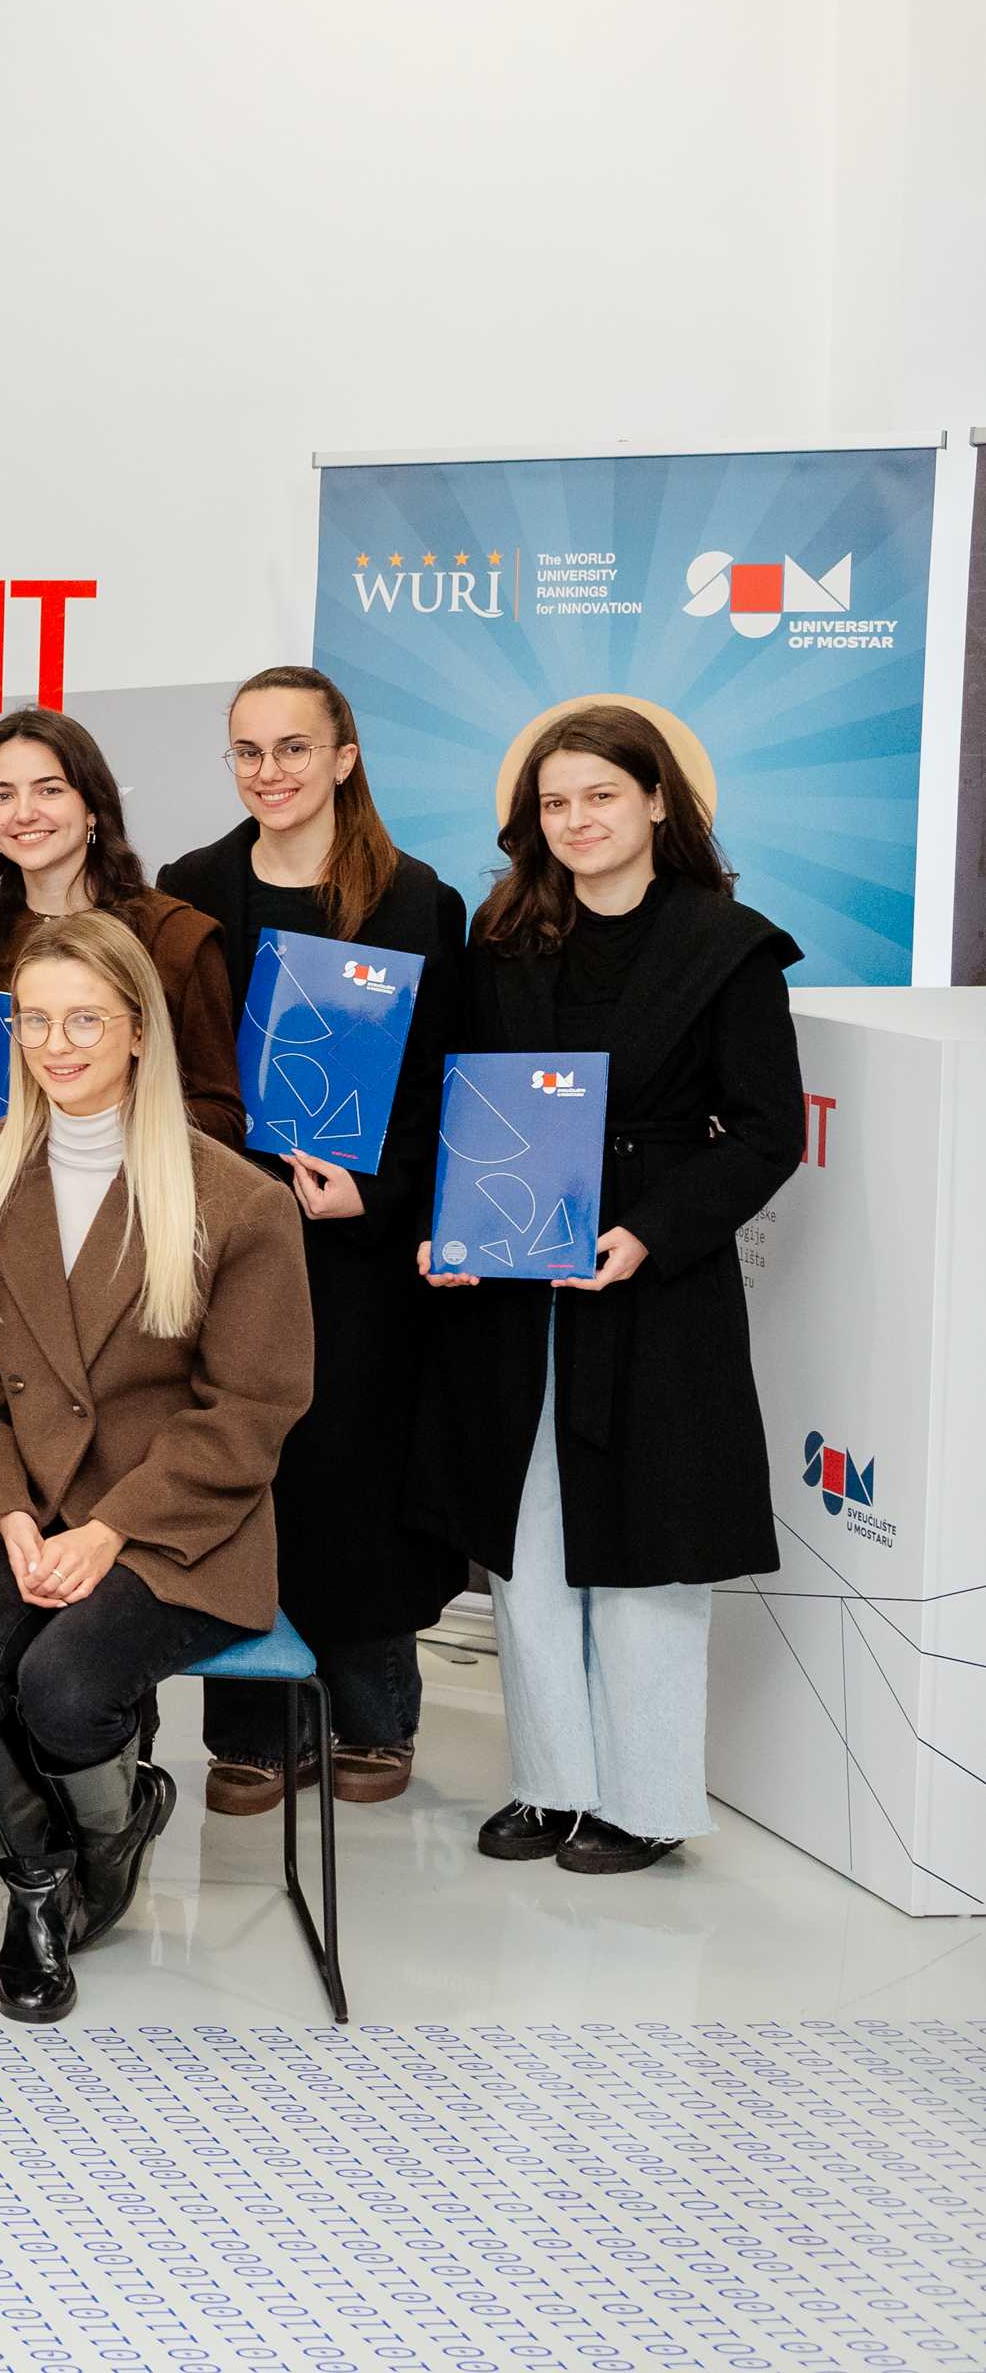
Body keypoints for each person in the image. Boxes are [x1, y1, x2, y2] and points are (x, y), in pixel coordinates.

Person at [0, 913, 308, 2024]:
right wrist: (1, 1513)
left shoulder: (240, 1201)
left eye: (84, 1020)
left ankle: (111, 1838)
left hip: (178, 1517)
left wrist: (112, 1528)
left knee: (66, 1686)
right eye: (34, 1022)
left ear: (139, 1028)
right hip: (17, 1499)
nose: (57, 1045)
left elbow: (251, 1410)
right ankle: (43, 1883)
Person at [419, 705, 800, 1877]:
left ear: (657, 801)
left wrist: (649, 1231)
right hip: (517, 1276)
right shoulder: (502, 936)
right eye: (554, 802)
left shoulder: (729, 945)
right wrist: (451, 1227)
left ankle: (644, 1799)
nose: (576, 820)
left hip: (654, 1281)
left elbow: (768, 1133)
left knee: (649, 1540)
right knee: (529, 1537)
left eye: (600, 795)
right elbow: (463, 1098)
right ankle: (551, 1783)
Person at [153, 666, 470, 1811]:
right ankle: (249, 1726)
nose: (270, 770)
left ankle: (373, 1715)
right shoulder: (190, 887)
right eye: (248, 750)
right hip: (225, 1237)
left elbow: (443, 1086)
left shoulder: (419, 900)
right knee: (240, 1464)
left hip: (359, 1245)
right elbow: (169, 1067)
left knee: (355, 1470)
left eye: (294, 747)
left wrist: (371, 1198)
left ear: (345, 756)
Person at [0, 706, 239, 1140]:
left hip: (139, 1178)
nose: (23, 813)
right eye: (2, 796)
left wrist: (97, 1143)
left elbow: (220, 1115)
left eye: (49, 790)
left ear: (92, 809)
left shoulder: (175, 938)